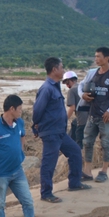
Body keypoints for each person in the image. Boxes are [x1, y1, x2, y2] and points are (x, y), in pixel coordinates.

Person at [0, 95, 49, 217]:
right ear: (11, 109)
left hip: (17, 171)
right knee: (0, 204)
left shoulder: (19, 122)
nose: (22, 111)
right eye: (20, 108)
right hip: (1, 173)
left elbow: (22, 136)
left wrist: (20, 152)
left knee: (28, 202)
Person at [33, 57, 91, 203]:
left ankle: (74, 183)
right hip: (51, 132)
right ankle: (46, 193)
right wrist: (36, 125)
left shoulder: (55, 86)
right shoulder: (46, 89)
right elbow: (37, 110)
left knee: (75, 152)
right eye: (61, 67)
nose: (63, 70)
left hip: (60, 132)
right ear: (54, 70)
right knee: (49, 162)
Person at [81, 47, 109, 182]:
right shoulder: (91, 73)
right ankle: (87, 171)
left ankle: (104, 171)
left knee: (105, 143)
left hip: (105, 116)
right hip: (92, 114)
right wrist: (82, 95)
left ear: (107, 58)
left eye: (98, 56)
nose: (96, 59)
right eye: (95, 56)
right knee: (87, 142)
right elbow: (81, 86)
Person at [64, 70, 90, 147]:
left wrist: (65, 120)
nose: (67, 85)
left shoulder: (72, 90)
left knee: (79, 141)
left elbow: (72, 108)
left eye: (67, 83)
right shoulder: (82, 87)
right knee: (74, 123)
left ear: (70, 81)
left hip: (82, 120)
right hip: (90, 118)